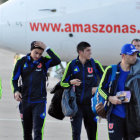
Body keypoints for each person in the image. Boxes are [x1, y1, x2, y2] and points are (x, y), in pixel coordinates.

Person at [11, 41, 61, 140]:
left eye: (40, 54)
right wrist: (16, 91)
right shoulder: (22, 62)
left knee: (38, 131)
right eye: (36, 53)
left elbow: (57, 60)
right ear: (31, 51)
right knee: (27, 132)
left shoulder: (44, 62)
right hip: (25, 101)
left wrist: (47, 48)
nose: (38, 56)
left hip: (39, 102)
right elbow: (14, 80)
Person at [60, 41, 104, 140]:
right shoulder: (72, 64)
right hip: (76, 105)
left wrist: (98, 89)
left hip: (91, 106)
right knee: (76, 133)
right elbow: (62, 83)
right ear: (80, 52)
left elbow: (106, 79)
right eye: (88, 50)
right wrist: (71, 82)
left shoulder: (95, 64)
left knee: (92, 134)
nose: (90, 53)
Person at [98, 44, 139, 140]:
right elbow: (100, 89)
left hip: (131, 118)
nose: (135, 57)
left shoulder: (137, 72)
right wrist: (110, 98)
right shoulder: (111, 70)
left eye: (136, 54)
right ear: (123, 55)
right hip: (115, 115)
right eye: (131, 54)